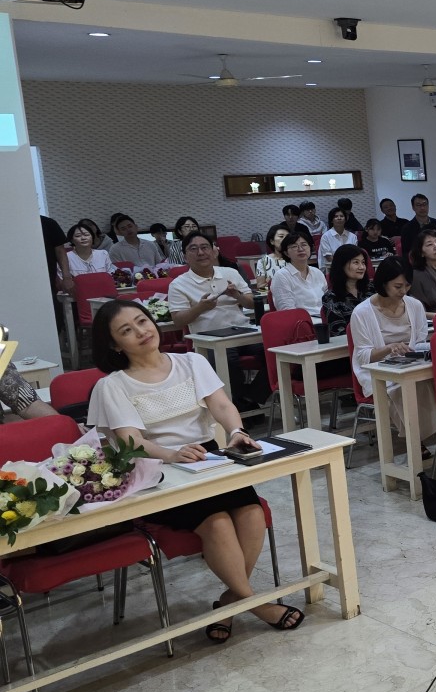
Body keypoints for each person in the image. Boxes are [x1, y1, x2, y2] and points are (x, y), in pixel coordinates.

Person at [87, 299, 303, 642]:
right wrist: (172, 455)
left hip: (209, 460)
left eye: (142, 321)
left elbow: (221, 405)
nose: (141, 331)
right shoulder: (113, 385)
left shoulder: (191, 362)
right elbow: (131, 441)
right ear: (114, 345)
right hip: (158, 472)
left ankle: (230, 602)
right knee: (217, 523)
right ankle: (257, 605)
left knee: (251, 514)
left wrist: (236, 432)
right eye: (126, 330)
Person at [166, 231, 270, 410]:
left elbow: (252, 303)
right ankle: (237, 407)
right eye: (194, 249)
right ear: (185, 256)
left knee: (275, 352)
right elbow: (178, 321)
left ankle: (249, 398)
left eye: (205, 247)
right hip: (209, 339)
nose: (200, 253)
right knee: (228, 361)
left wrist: (237, 295)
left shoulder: (230, 273)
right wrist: (200, 308)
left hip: (243, 332)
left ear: (214, 251)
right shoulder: (178, 284)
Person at [348, 259, 436, 452]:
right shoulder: (362, 312)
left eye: (407, 286)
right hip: (378, 371)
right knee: (399, 390)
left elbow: (420, 340)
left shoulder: (414, 305)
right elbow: (363, 357)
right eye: (398, 286)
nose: (403, 291)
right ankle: (416, 442)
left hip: (412, 365)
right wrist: (389, 348)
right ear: (383, 283)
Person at [270, 230, 326, 317]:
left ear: (310, 248)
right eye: (294, 246)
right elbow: (287, 311)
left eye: (304, 245)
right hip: (301, 322)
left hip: (325, 320)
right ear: (286, 253)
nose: (300, 249)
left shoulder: (317, 273)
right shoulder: (281, 276)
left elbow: (328, 301)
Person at [321, 245, 372, 337]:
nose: (362, 267)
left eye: (363, 262)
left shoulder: (372, 289)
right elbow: (339, 332)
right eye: (356, 262)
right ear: (341, 265)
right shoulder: (331, 298)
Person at [254, 225, 292, 290]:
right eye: (281, 236)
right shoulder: (263, 261)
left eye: (287, 237)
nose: (286, 239)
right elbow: (260, 287)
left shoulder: (296, 258)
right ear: (272, 241)